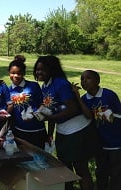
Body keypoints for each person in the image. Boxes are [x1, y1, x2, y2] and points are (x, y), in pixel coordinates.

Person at [33, 55, 100, 190]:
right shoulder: (45, 86)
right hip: (62, 132)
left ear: (51, 70)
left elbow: (73, 109)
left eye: (43, 70)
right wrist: (50, 133)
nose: (39, 73)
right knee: (65, 170)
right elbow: (51, 111)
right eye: (37, 69)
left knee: (81, 169)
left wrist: (50, 118)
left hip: (77, 131)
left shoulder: (61, 84)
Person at [72, 70, 121, 190]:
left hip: (115, 141)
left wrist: (111, 116)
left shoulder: (109, 95)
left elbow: (119, 114)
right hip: (99, 141)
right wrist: (78, 97)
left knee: (116, 172)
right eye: (82, 79)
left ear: (97, 81)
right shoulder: (84, 99)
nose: (84, 81)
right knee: (101, 171)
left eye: (88, 78)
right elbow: (88, 115)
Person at [8, 56, 47, 149]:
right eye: (13, 73)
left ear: (24, 73)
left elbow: (43, 104)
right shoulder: (8, 90)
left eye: (19, 73)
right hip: (19, 131)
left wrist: (35, 115)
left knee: (39, 159)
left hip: (37, 130)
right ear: (9, 72)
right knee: (22, 159)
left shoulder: (33, 86)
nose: (16, 76)